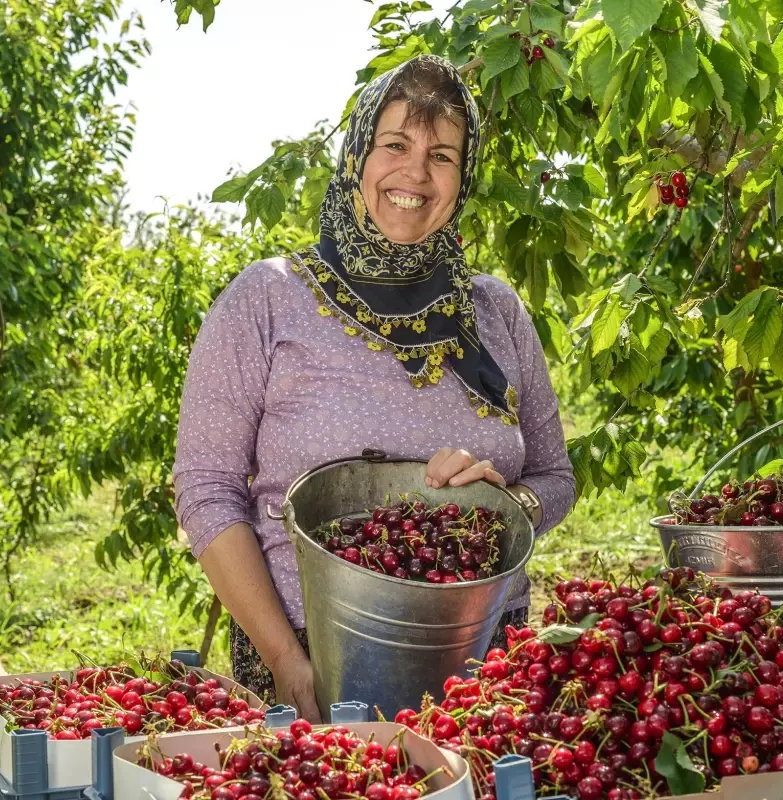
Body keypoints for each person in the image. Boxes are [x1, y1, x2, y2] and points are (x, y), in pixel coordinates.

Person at [173, 55, 576, 716]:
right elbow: (207, 490)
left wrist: (509, 507)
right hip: (317, 653)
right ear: (358, 153)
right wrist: (285, 661)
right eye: (395, 145)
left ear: (463, 176)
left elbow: (555, 477)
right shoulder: (267, 299)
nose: (416, 173)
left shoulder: (495, 310)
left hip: (485, 657)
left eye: (442, 155)